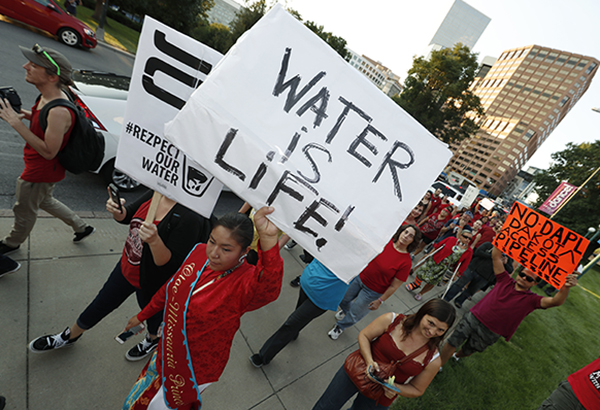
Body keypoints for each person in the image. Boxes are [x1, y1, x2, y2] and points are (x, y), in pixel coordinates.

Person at [122, 207, 283, 410]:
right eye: (212, 241)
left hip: (194, 367)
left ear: (244, 252)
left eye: (226, 249)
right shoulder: (199, 253)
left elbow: (269, 288)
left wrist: (268, 240)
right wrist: (142, 315)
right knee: (141, 399)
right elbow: (172, 288)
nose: (214, 253)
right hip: (167, 348)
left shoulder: (245, 281)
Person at [28, 189, 212, 362]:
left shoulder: (191, 216)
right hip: (126, 268)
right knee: (101, 303)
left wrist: (155, 241)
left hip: (152, 282)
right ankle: (69, 336)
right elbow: (127, 216)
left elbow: (170, 265)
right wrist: (117, 210)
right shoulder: (157, 190)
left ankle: (153, 338)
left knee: (152, 316)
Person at [0, 44, 94, 256]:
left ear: (52, 77)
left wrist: (16, 123)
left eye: (33, 65)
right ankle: (82, 227)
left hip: (40, 170)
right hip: (47, 169)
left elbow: (49, 151)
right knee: (45, 200)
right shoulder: (48, 96)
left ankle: (12, 243)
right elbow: (47, 124)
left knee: (24, 210)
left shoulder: (59, 110)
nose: (25, 66)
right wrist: (25, 115)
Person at [440, 245, 579, 366]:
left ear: (534, 284)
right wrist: (501, 240)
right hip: (475, 316)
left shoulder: (532, 300)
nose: (523, 278)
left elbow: (555, 302)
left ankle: (457, 356)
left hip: (492, 331)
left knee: (470, 349)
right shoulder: (504, 279)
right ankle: (438, 365)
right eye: (522, 274)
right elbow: (496, 258)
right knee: (454, 340)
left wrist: (565, 287)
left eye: (529, 278)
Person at [312, 299, 456, 410]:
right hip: (356, 370)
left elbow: (417, 389)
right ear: (422, 313)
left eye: (440, 330)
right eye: (431, 323)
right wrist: (369, 361)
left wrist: (395, 388)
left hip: (381, 397)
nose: (432, 332)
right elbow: (364, 336)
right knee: (326, 407)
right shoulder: (392, 320)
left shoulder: (434, 360)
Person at [327, 225, 421, 340]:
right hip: (359, 278)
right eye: (405, 232)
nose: (406, 236)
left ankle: (340, 326)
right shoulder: (386, 243)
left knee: (355, 314)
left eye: (410, 236)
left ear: (413, 241)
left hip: (372, 292)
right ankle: (347, 311)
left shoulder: (406, 263)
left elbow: (393, 286)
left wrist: (380, 301)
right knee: (343, 299)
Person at [250, 258, 349, 367]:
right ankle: (294, 333)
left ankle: (264, 356)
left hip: (322, 297)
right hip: (308, 282)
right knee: (298, 316)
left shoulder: (360, 258)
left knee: (290, 324)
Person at [406, 231, 473, 301]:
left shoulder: (468, 251)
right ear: (460, 236)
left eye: (470, 238)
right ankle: (416, 284)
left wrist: (456, 274)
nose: (467, 239)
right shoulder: (451, 239)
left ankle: (420, 293)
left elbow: (464, 264)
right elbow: (438, 246)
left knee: (432, 282)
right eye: (465, 237)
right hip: (435, 260)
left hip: (446, 268)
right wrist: (430, 254)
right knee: (421, 272)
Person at [442, 242, 513, 309]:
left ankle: (459, 301)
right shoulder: (489, 245)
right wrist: (492, 256)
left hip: (485, 277)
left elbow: (510, 270)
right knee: (459, 284)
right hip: (473, 269)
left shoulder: (507, 257)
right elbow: (478, 252)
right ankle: (446, 298)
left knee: (471, 291)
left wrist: (505, 263)